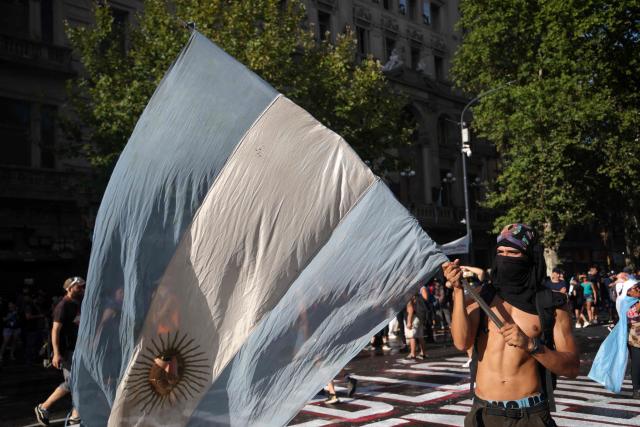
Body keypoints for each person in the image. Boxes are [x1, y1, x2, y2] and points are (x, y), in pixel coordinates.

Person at [443, 223, 579, 427]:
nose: (505, 258)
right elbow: (462, 343)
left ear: (529, 257)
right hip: (483, 413)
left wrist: (531, 345)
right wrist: (456, 291)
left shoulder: (551, 304)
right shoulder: (482, 298)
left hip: (530, 415)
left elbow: (572, 367)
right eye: (500, 252)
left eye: (513, 252)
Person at [35, 277, 85, 426]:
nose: (82, 289)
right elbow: (55, 330)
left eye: (83, 287)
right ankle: (45, 407)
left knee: (78, 383)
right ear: (69, 288)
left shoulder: (77, 303)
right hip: (67, 351)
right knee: (73, 383)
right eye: (79, 287)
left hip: (77, 349)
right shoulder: (63, 306)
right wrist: (56, 353)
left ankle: (75, 416)